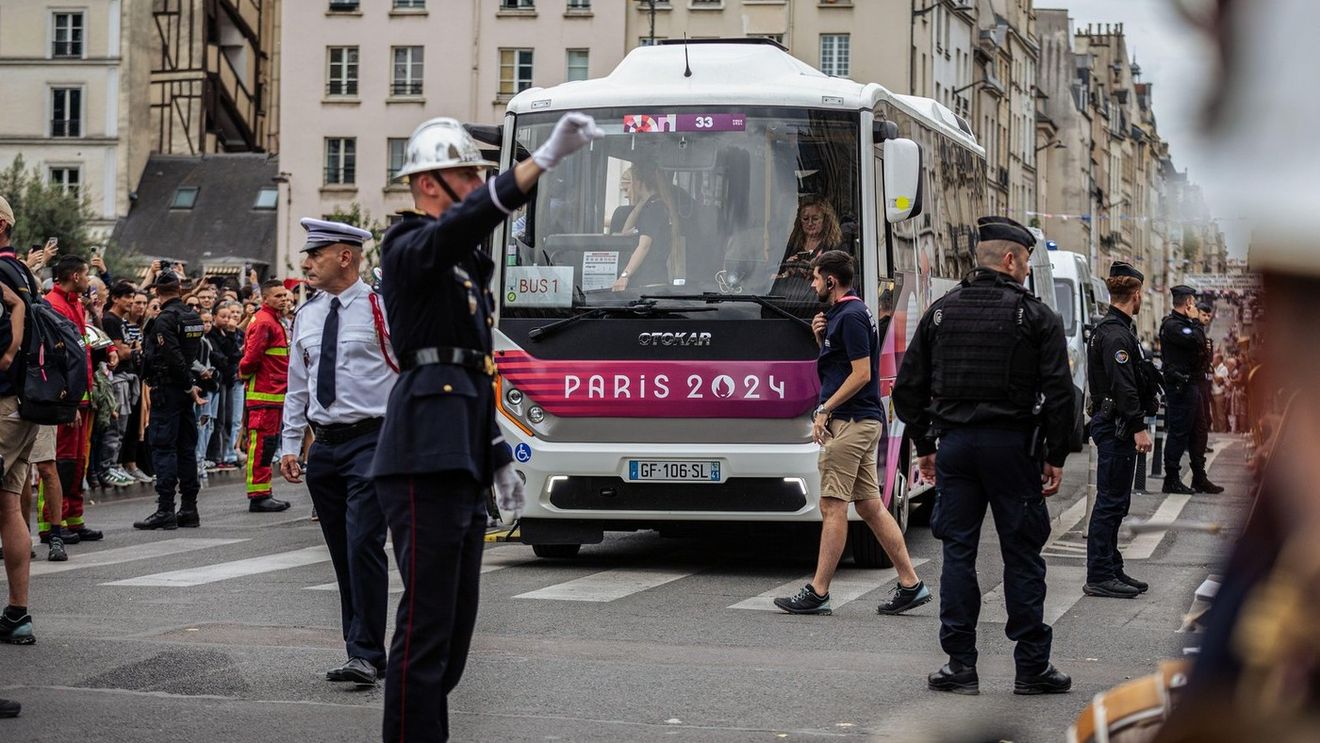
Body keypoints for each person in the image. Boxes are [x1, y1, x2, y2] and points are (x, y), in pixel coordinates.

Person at [373, 112, 601, 741]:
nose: (478, 183)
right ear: (428, 185)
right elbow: (462, 227)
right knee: (423, 632)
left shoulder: (463, 265)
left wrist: (498, 451)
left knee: (451, 636)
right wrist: (538, 165)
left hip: (462, 456)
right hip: (422, 457)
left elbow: (474, 371)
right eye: (467, 173)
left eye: (481, 173)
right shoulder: (408, 246)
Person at [893, 216, 1076, 696]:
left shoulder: (939, 312)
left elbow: (907, 390)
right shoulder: (1037, 317)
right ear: (1012, 259)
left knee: (958, 554)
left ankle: (959, 665)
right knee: (1022, 556)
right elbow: (1060, 395)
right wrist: (1054, 456)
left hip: (955, 448)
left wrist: (927, 446)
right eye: (1027, 261)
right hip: (1013, 450)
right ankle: (1031, 668)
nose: (1027, 270)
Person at [772, 250, 929, 617]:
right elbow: (841, 366)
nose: (811, 285)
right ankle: (911, 584)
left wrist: (824, 410)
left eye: (815, 278)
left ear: (831, 280)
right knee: (871, 506)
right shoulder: (840, 315)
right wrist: (819, 339)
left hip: (853, 422)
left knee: (831, 505)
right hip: (858, 420)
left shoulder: (854, 315)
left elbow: (862, 374)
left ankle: (819, 591)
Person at [279, 218, 394, 687]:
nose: (306, 262)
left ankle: (365, 653)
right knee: (344, 552)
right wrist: (289, 443)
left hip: (374, 440)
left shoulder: (382, 309)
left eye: (316, 254)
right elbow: (296, 384)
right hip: (324, 448)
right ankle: (361, 650)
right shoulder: (307, 314)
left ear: (345, 256)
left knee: (364, 543)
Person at [1083, 262, 1159, 600]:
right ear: (1137, 295)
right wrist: (1138, 427)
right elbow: (1123, 385)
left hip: (1115, 424)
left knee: (1116, 501)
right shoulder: (1116, 333)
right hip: (1116, 425)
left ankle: (1110, 566)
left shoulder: (1116, 328)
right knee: (1111, 502)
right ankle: (1100, 573)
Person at [133, 270, 206, 530]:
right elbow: (191, 354)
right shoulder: (192, 316)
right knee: (186, 448)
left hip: (169, 389)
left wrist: (186, 385)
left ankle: (166, 509)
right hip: (185, 390)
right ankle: (189, 507)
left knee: (164, 447)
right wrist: (191, 385)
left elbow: (172, 356)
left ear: (156, 291)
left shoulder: (164, 319)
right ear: (180, 289)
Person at [0, 195, 39, 644]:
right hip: (26, 403)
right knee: (8, 505)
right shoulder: (23, 271)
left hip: (4, 402)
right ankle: (17, 613)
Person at [43, 255, 103, 542]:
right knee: (60, 461)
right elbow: (59, 358)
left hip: (81, 394)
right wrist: (67, 401)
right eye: (86, 274)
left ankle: (74, 518)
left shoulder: (76, 303)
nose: (89, 279)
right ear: (75, 276)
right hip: (68, 397)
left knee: (78, 460)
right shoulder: (54, 305)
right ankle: (51, 522)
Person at [1159, 286, 1222, 494]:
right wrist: (1195, 322)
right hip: (1180, 387)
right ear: (1187, 303)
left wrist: (1194, 324)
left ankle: (1199, 477)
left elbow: (1201, 344)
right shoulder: (1173, 326)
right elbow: (1196, 340)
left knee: (1199, 431)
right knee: (1178, 432)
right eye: (1192, 302)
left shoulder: (1185, 324)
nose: (1194, 305)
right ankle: (1171, 478)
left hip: (1192, 385)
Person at [238, 279, 292, 512]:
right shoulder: (264, 322)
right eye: (278, 296)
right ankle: (258, 495)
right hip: (264, 394)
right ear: (265, 298)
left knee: (267, 445)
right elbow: (250, 358)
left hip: (273, 393)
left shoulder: (274, 321)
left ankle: (264, 491)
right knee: (260, 445)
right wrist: (244, 374)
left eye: (285, 295)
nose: (284, 299)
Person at [611, 161, 677, 292]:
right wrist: (641, 203)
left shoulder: (654, 209)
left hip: (649, 283)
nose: (626, 193)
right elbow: (624, 233)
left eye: (628, 186)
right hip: (649, 282)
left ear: (637, 182)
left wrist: (624, 275)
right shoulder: (651, 206)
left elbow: (644, 245)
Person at [778, 196, 844, 277]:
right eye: (805, 219)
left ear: (826, 220)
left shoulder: (836, 246)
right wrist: (788, 270)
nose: (810, 223)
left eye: (815, 219)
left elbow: (842, 277)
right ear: (799, 221)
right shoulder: (792, 245)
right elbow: (778, 271)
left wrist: (814, 272)